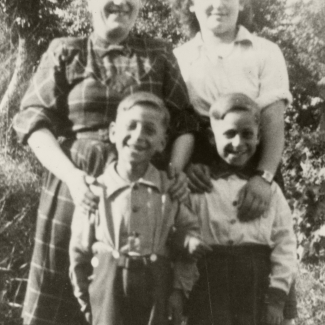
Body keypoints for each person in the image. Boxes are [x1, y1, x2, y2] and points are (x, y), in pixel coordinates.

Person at [13, 1, 199, 324]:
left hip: (143, 192)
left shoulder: (158, 54)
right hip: (76, 191)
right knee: (59, 297)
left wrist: (174, 173)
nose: (122, 3)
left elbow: (184, 123)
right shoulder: (65, 51)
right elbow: (32, 120)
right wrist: (71, 176)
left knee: (133, 302)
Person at [69, 92, 200, 325]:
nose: (138, 136)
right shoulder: (96, 190)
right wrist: (86, 296)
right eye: (131, 126)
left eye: (149, 130)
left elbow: (190, 242)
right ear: (113, 132)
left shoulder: (170, 190)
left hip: (156, 286)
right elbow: (79, 250)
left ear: (162, 142)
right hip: (107, 285)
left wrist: (179, 290)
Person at [171, 0, 291, 222]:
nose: (218, 4)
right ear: (189, 4)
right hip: (200, 172)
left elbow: (273, 122)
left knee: (261, 238)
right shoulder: (179, 58)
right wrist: (186, 166)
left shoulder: (265, 52)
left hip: (253, 165)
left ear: (243, 3)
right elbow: (178, 124)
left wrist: (264, 178)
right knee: (198, 240)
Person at [187, 93, 297, 325]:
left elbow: (284, 243)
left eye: (247, 134)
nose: (238, 143)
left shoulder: (270, 192)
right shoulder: (200, 188)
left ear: (259, 138)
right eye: (229, 134)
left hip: (255, 284)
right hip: (210, 284)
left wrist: (276, 299)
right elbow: (185, 239)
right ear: (211, 136)